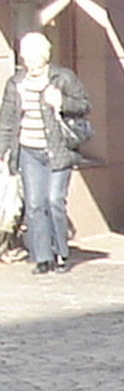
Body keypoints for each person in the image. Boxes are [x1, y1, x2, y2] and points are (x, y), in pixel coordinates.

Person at [0, 32, 91, 274]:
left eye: (34, 59)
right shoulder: (16, 83)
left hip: (57, 149)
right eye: (26, 59)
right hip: (28, 150)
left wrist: (60, 101)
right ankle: (42, 257)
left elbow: (84, 105)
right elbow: (7, 120)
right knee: (34, 204)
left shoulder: (63, 78)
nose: (29, 64)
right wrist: (3, 150)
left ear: (44, 57)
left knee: (54, 201)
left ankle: (61, 252)